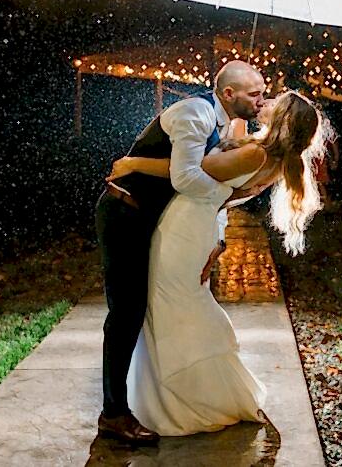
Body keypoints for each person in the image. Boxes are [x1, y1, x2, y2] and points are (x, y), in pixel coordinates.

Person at [107, 89, 329, 436]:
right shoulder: (269, 156)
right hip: (198, 226)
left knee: (174, 303)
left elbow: (192, 171)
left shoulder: (257, 153)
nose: (266, 102)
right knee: (177, 303)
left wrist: (134, 163)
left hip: (185, 226)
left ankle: (189, 397)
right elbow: (226, 184)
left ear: (283, 118)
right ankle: (186, 390)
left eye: (275, 102)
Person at [94, 60, 266, 444]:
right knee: (126, 314)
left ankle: (135, 399)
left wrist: (217, 237)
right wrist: (232, 193)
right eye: (254, 94)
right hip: (124, 213)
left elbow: (200, 178)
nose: (261, 100)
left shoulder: (224, 124)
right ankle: (113, 414)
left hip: (146, 216)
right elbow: (185, 177)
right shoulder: (195, 113)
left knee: (138, 310)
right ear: (228, 94)